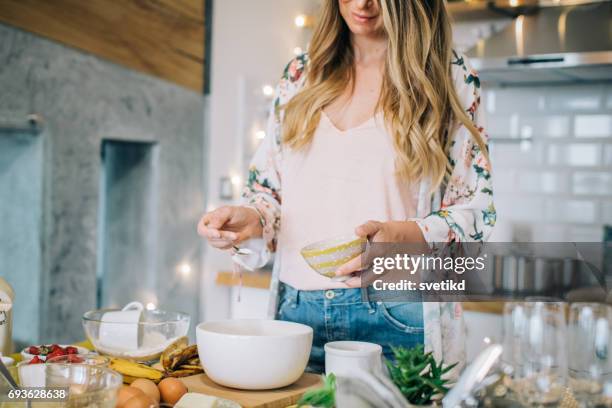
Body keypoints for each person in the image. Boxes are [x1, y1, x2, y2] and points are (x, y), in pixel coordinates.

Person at [198, 0, 495, 374]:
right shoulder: (301, 75)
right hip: (295, 317)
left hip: (399, 316)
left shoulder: (448, 76)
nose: (362, 4)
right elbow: (269, 194)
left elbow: (476, 212)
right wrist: (250, 219)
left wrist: (398, 236)